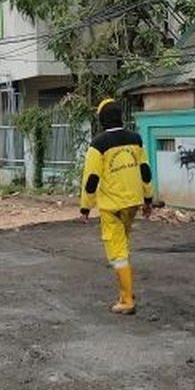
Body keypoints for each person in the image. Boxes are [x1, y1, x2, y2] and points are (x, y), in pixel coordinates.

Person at [79, 99, 155, 314]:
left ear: (102, 119)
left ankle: (127, 300)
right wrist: (148, 199)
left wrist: (85, 208)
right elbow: (145, 171)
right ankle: (125, 291)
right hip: (133, 203)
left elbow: (91, 179)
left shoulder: (98, 144)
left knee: (117, 252)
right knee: (123, 246)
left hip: (111, 207)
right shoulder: (136, 139)